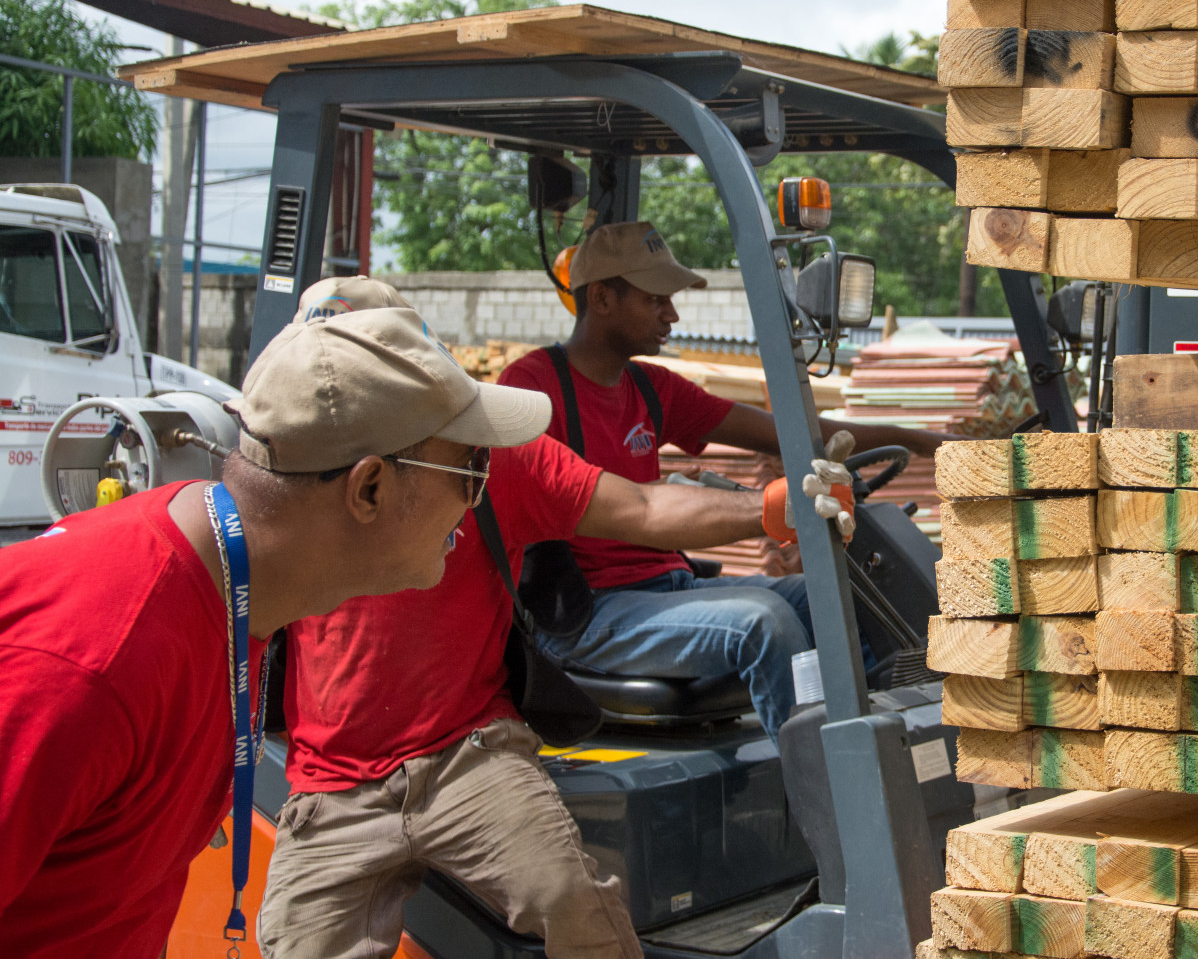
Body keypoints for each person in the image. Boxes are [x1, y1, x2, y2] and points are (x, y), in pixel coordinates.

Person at [255, 278, 839, 959]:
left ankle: (844, 825)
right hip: (334, 787)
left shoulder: (490, 455)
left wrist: (773, 507)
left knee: (573, 902)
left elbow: (642, 509)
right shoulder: (281, 493)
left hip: (466, 757)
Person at [0, 307, 552, 958]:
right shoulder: (90, 665)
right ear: (369, 488)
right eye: (471, 471)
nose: (477, 500)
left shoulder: (228, 593)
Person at [497, 221, 954, 739]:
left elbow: (792, 433)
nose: (672, 314)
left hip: (668, 587)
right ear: (601, 297)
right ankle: (829, 781)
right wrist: (775, 506)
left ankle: (886, 745)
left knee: (855, 598)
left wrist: (918, 440)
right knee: (764, 622)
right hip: (589, 613)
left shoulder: (650, 387)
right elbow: (638, 511)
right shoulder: (531, 390)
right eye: (655, 300)